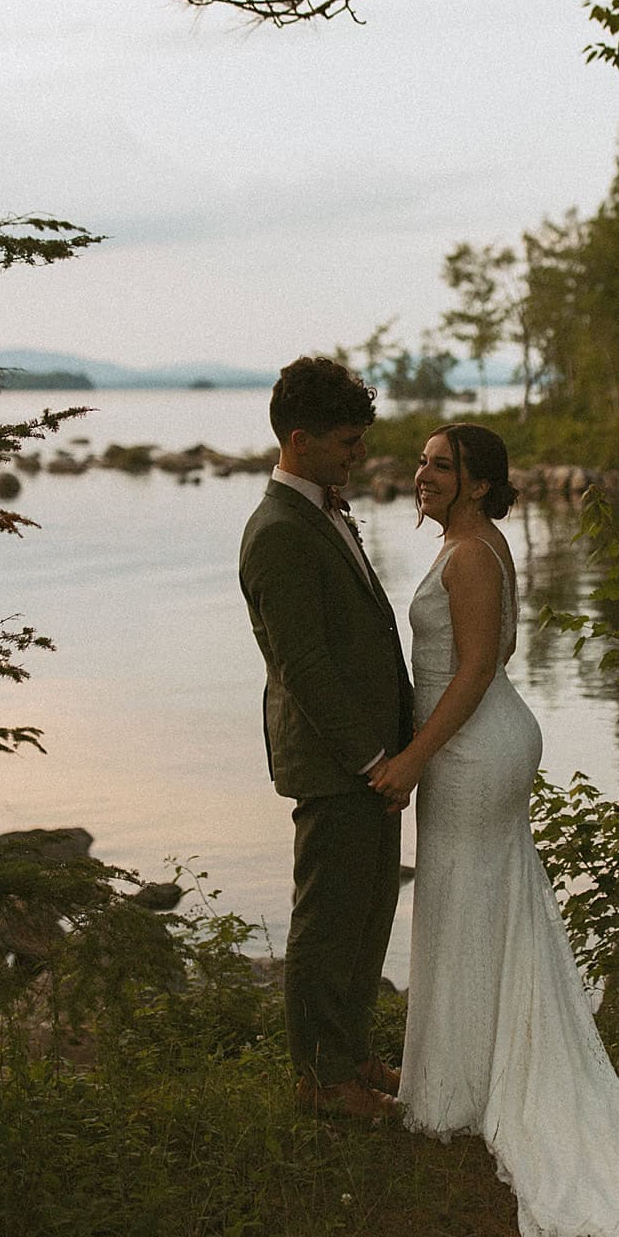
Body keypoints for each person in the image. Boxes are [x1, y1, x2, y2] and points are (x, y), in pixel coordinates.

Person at [368, 423, 619, 1237]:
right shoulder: (478, 542)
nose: (421, 473)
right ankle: (463, 1076)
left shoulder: (470, 555)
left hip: (470, 749)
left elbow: (470, 673)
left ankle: (457, 1091)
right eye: (422, 462)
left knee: (463, 897)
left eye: (439, 465)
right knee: (476, 899)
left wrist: (414, 758)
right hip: (479, 744)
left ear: (475, 480)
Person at [238, 357, 414, 1121]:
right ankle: (319, 1078)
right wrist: (374, 757)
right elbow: (302, 664)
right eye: (346, 441)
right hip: (340, 759)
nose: (358, 453)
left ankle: (351, 1052)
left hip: (373, 758)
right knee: (327, 919)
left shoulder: (324, 509)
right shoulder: (278, 530)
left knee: (371, 907)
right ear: (300, 439)